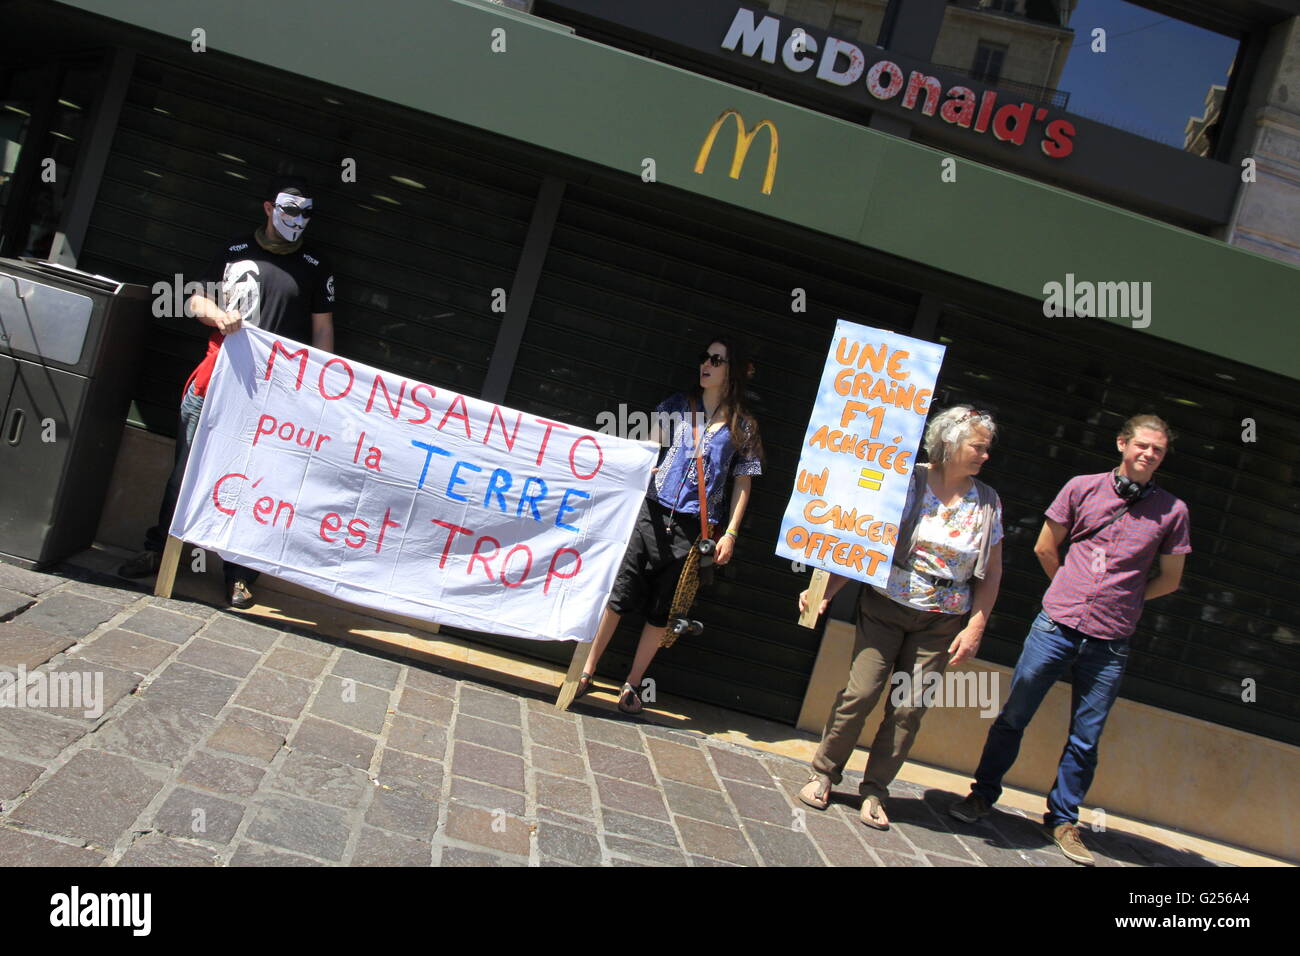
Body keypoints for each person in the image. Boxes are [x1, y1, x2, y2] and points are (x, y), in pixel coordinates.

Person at [949, 414, 1191, 866]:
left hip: (1112, 640)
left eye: (1157, 450)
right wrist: (1070, 588)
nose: (1148, 454)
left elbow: (1171, 579)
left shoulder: (1173, 511)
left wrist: (1130, 600)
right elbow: (1045, 545)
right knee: (1013, 717)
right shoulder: (1082, 487)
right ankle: (981, 796)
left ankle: (1063, 820)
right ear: (1122, 444)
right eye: (1141, 445)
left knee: (1086, 737)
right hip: (1056, 625)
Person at [118, 176, 335, 608]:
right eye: (290, 210)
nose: (298, 220)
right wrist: (218, 315)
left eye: (306, 213)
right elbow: (196, 299)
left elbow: (323, 331)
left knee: (255, 484)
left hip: (274, 398)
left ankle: (239, 575)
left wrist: (320, 390)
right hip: (214, 382)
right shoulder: (234, 251)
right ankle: (161, 551)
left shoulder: (316, 266)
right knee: (186, 472)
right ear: (269, 208)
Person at [796, 406, 1003, 829]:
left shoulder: (988, 501)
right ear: (950, 444)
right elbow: (862, 535)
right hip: (885, 606)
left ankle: (875, 791)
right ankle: (824, 773)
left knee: (908, 709)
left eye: (987, 449)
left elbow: (993, 570)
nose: (985, 456)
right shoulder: (906, 480)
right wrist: (827, 592)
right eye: (978, 447)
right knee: (861, 693)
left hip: (942, 620)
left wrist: (976, 625)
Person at [576, 336, 764, 714]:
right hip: (650, 511)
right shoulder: (678, 406)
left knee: (664, 610)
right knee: (619, 594)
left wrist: (730, 532)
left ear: (732, 370)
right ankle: (586, 670)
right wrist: (648, 464)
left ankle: (632, 684)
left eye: (716, 359)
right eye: (704, 357)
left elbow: (744, 481)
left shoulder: (744, 426)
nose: (706, 365)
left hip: (696, 528)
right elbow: (647, 447)